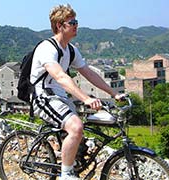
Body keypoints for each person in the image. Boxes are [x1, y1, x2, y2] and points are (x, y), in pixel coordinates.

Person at [30, 4, 124, 180]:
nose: (76, 25)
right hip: (43, 96)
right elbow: (60, 76)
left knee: (81, 132)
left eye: (76, 22)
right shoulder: (47, 47)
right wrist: (86, 98)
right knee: (76, 127)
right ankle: (66, 174)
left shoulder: (71, 50)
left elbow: (88, 73)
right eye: (72, 22)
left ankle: (72, 163)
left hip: (60, 97)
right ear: (60, 25)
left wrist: (114, 93)